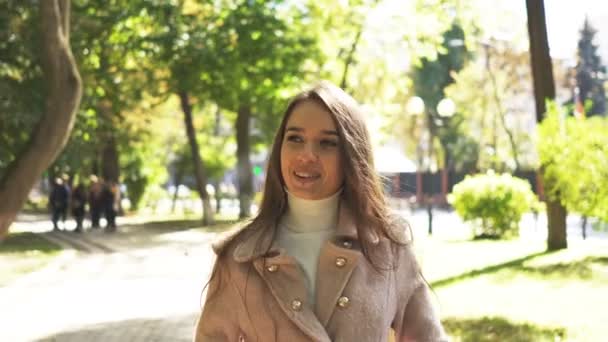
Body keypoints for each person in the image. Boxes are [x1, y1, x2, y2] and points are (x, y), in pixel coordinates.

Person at [194, 81, 447, 341]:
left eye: (327, 143)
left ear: (352, 155)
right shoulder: (239, 257)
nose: (307, 154)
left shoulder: (387, 247)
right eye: (295, 139)